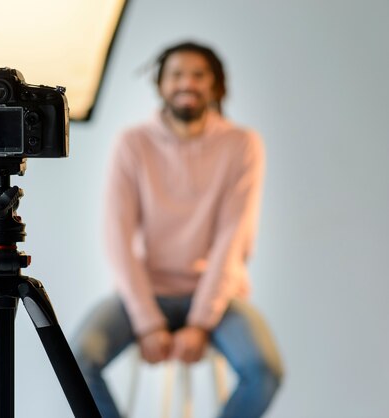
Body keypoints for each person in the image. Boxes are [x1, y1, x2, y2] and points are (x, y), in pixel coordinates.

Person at [71, 41, 284, 418]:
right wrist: (148, 321)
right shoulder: (133, 143)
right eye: (176, 74)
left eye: (198, 75)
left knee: (264, 371)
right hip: (146, 292)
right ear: (160, 84)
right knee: (75, 362)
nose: (187, 83)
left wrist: (201, 323)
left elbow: (232, 241)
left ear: (216, 85)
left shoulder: (242, 145)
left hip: (218, 296)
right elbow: (117, 237)